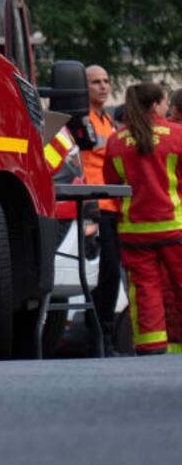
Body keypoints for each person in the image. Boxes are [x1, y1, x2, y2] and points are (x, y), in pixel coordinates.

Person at [102, 83, 182, 355]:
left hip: (134, 230)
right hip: (174, 226)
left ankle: (150, 346)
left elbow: (111, 183)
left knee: (144, 290)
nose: (167, 106)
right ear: (155, 104)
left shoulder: (116, 140)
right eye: (164, 101)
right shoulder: (176, 134)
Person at [81, 64, 120, 353]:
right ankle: (97, 335)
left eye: (106, 81)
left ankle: (103, 333)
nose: (103, 86)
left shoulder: (106, 119)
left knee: (111, 272)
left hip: (113, 203)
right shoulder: (81, 120)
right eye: (96, 82)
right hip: (92, 205)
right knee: (102, 271)